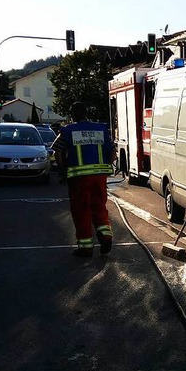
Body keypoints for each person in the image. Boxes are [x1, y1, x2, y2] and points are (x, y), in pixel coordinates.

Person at [52, 102, 116, 257]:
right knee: (99, 206)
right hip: (100, 177)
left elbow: (57, 152)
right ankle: (106, 235)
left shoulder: (67, 131)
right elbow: (113, 152)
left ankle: (86, 247)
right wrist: (104, 166)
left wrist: (62, 171)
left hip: (79, 178)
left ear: (73, 114)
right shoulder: (101, 129)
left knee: (81, 210)